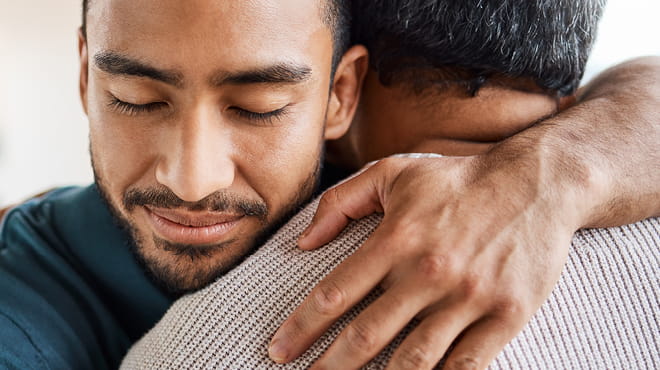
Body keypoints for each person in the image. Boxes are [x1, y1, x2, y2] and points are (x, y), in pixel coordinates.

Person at [0, 0, 658, 368]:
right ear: (86, 77)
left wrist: (545, 178)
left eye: (258, 107)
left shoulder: (410, 136)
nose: (193, 180)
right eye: (137, 98)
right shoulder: (26, 300)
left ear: (341, 96)